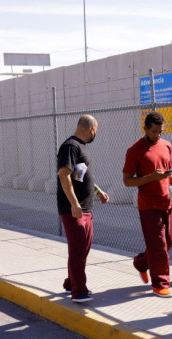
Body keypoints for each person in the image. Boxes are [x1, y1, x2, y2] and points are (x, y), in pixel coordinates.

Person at [122, 111, 172, 298]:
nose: (158, 135)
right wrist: (150, 178)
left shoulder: (166, 145)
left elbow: (168, 174)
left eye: (160, 131)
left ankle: (141, 262)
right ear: (145, 129)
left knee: (168, 242)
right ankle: (160, 284)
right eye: (154, 131)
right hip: (148, 205)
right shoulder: (134, 150)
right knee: (159, 246)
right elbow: (127, 181)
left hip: (166, 203)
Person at [57, 115, 109, 303]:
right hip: (74, 209)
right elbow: (65, 176)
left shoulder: (81, 148)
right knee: (78, 249)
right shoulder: (70, 146)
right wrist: (74, 204)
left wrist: (98, 191)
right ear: (92, 130)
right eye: (96, 131)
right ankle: (79, 291)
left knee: (83, 248)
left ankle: (72, 282)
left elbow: (80, 176)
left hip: (86, 207)